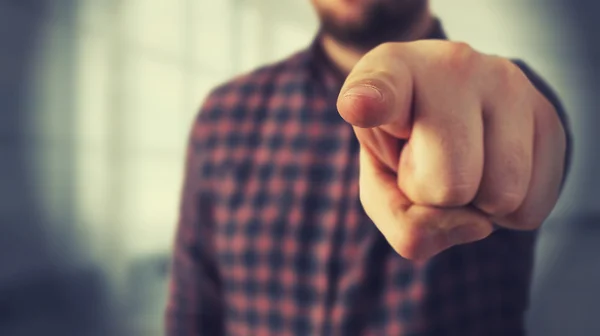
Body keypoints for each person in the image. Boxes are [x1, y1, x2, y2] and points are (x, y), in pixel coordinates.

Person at [165, 0, 572, 335]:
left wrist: (517, 126)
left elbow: (531, 140)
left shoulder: (508, 97)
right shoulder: (224, 115)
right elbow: (193, 311)